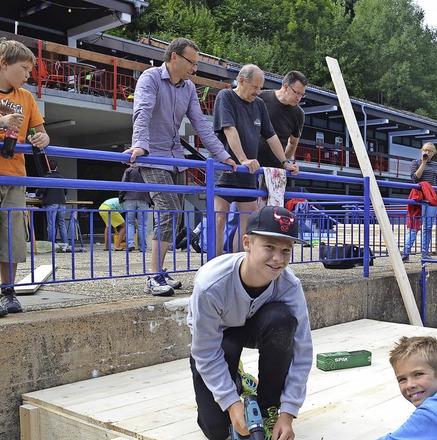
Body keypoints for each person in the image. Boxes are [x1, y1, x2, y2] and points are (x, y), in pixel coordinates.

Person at [187, 205, 313, 440]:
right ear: (247, 243)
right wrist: (231, 403)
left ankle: (267, 406)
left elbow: (302, 350)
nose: (278, 259)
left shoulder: (289, 285)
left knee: (282, 320)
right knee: (216, 431)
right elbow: (205, 350)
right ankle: (236, 378)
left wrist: (287, 414)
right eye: (269, 247)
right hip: (220, 338)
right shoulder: (211, 284)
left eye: (286, 251)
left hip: (257, 327)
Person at [125, 38, 237, 296]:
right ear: (174, 57)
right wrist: (140, 144)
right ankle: (153, 276)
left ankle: (160, 271)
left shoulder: (188, 88)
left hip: (176, 158)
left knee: (174, 216)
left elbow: (201, 124)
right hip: (153, 155)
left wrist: (223, 156)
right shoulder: (150, 78)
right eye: (191, 62)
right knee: (168, 210)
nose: (194, 69)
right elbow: (142, 111)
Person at [0, 39, 50, 317]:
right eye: (24, 68)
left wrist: (42, 137)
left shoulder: (27, 97)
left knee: (13, 236)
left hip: (16, 175)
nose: (28, 74)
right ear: (4, 64)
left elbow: (40, 132)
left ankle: (8, 291)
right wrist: (1, 122)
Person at [212, 64, 299, 256]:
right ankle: (214, 265)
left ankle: (239, 263)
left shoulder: (259, 104)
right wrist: (243, 159)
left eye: (261, 88)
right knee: (219, 219)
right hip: (226, 167)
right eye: (255, 87)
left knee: (248, 221)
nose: (258, 92)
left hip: (248, 172)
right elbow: (229, 129)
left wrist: (285, 162)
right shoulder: (225, 97)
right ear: (241, 81)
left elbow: (271, 135)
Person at [257, 71, 307, 170]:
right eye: (296, 93)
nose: (299, 98)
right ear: (286, 86)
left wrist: (284, 162)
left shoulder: (298, 113)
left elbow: (293, 142)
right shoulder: (260, 98)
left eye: (302, 95)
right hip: (251, 161)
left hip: (275, 167)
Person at [401, 142, 437, 261]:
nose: (426, 152)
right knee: (415, 226)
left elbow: (436, 180)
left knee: (428, 227)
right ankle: (406, 252)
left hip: (432, 198)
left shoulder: (436, 165)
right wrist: (423, 163)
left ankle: (425, 253)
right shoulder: (416, 163)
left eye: (429, 151)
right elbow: (415, 178)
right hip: (419, 198)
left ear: (433, 153)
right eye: (425, 150)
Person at [119, 165, 151, 252]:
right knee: (142, 224)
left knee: (130, 223)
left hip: (129, 198)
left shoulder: (129, 170)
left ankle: (130, 244)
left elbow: (123, 184)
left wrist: (121, 198)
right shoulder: (146, 170)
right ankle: (142, 247)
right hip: (144, 198)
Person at [38, 159, 69, 249]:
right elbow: (66, 191)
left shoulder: (47, 177)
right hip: (62, 202)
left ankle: (51, 245)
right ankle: (65, 244)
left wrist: (37, 193)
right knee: (61, 223)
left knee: (51, 223)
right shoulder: (62, 178)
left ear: (48, 167)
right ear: (56, 167)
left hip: (51, 202)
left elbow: (42, 190)